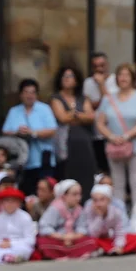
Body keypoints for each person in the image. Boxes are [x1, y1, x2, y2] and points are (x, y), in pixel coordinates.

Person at [95, 64, 136, 206]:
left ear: (132, 78)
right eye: (120, 75)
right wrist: (111, 137)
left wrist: (126, 136)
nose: (123, 78)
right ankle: (119, 214)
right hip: (114, 145)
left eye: (127, 75)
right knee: (117, 183)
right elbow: (100, 122)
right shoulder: (108, 99)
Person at [2, 78, 58, 195]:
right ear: (21, 95)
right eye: (26, 92)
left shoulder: (44, 109)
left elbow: (52, 130)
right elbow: (5, 132)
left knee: (44, 191)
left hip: (42, 160)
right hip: (21, 162)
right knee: (24, 192)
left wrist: (33, 133)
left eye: (33, 92)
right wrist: (17, 133)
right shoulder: (14, 111)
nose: (29, 96)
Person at [50, 65, 97, 199]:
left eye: (70, 76)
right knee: (68, 174)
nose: (67, 79)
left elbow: (91, 117)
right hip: (66, 144)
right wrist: (80, 115)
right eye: (64, 76)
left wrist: (74, 114)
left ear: (76, 80)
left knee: (86, 175)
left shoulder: (83, 98)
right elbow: (62, 118)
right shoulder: (56, 98)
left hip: (84, 143)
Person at [36, 179, 100, 260]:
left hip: (73, 239)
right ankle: (65, 254)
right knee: (43, 243)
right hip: (57, 238)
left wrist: (72, 237)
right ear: (64, 196)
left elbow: (82, 228)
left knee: (90, 241)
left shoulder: (79, 210)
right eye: (74, 194)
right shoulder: (55, 208)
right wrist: (63, 237)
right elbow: (45, 227)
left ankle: (71, 253)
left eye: (79, 194)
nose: (78, 198)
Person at [0, 186, 36, 264]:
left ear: (18, 203)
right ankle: (5, 257)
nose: (10, 204)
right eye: (7, 201)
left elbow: (30, 240)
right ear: (2, 203)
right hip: (0, 246)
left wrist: (11, 244)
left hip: (16, 246)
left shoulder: (25, 217)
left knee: (25, 249)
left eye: (13, 201)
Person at [85, 184, 136, 256]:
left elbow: (119, 232)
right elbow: (93, 234)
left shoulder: (115, 213)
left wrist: (119, 246)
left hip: (111, 240)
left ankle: (110, 250)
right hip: (97, 240)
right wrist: (100, 217)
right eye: (95, 200)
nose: (98, 204)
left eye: (102, 199)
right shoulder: (89, 210)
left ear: (109, 200)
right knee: (90, 241)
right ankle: (104, 250)